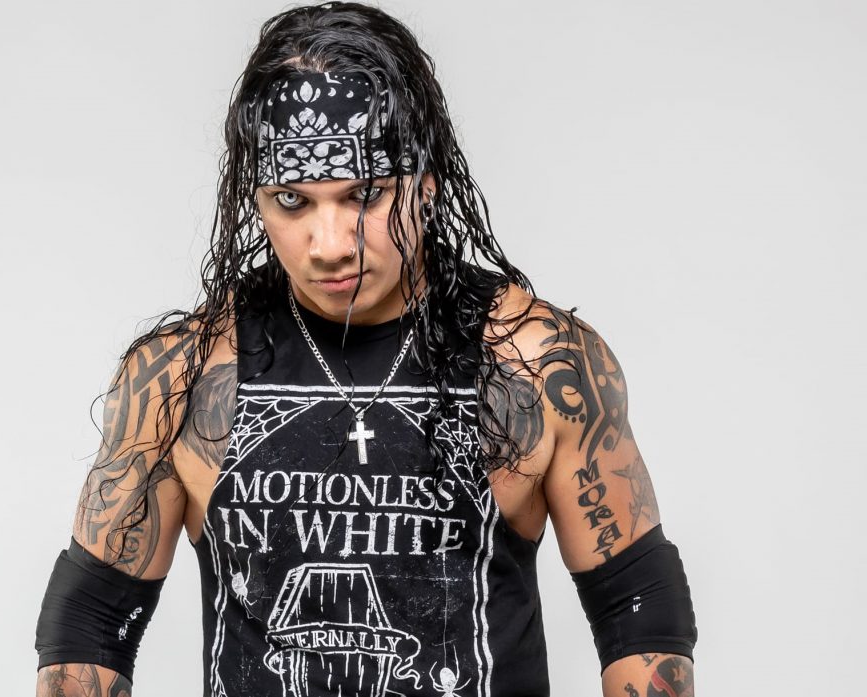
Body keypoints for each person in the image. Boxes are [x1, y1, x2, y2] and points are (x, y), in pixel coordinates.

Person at [34, 3, 698, 696]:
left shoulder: (536, 363)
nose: (329, 245)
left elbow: (638, 609)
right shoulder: (184, 376)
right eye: (292, 201)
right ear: (254, 199)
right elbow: (91, 620)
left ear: (428, 183)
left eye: (367, 195)